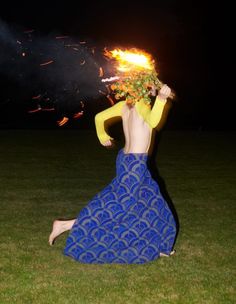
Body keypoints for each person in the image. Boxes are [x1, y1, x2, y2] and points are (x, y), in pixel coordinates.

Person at [49, 83, 177, 264]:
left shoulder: (126, 105)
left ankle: (160, 244)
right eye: (152, 87)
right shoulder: (142, 105)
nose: (154, 89)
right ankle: (66, 225)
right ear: (144, 89)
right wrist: (162, 101)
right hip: (135, 164)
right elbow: (154, 122)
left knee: (153, 201)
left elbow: (99, 118)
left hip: (126, 159)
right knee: (116, 205)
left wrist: (103, 136)